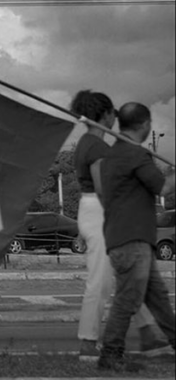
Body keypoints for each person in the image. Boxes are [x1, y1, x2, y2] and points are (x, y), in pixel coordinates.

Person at [69, 91, 170, 362]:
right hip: (102, 210)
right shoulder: (96, 147)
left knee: (132, 279)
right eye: (112, 112)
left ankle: (151, 335)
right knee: (102, 280)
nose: (115, 117)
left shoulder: (87, 142)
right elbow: (105, 189)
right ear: (104, 115)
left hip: (93, 209)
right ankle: (89, 342)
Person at [98, 102, 176, 372]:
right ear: (144, 125)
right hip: (133, 240)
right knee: (128, 299)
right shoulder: (135, 155)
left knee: (157, 297)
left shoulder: (112, 155)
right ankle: (110, 354)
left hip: (122, 237)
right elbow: (163, 188)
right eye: (150, 123)